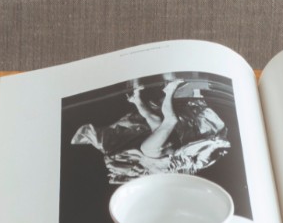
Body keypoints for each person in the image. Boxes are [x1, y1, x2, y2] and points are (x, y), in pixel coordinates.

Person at [71, 74, 232, 185]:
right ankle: (137, 101)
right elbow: (197, 157)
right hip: (162, 153)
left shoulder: (166, 171)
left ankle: (169, 90)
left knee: (170, 121)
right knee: (156, 120)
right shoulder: (184, 169)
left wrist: (214, 144)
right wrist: (215, 144)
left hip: (151, 152)